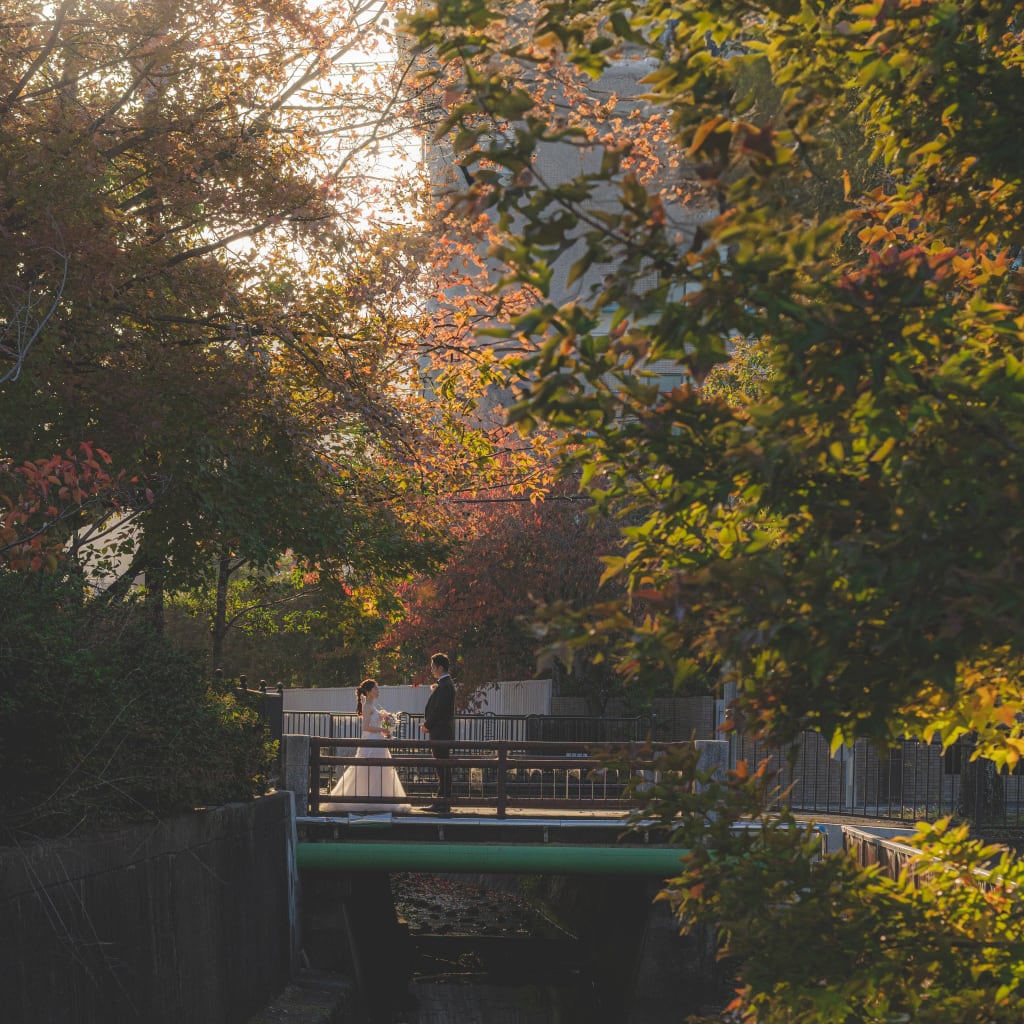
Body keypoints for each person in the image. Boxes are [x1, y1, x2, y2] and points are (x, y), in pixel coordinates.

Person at [323, 678, 410, 814]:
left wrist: (385, 721)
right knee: (367, 770)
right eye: (375, 688)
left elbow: (373, 724)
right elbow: (366, 727)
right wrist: (382, 729)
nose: (378, 690)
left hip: (378, 741)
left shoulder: (373, 706)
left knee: (380, 771)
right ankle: (367, 799)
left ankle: (377, 799)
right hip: (371, 741)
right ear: (369, 692)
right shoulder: (367, 706)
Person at [420, 652, 456, 813]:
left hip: (440, 731)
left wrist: (428, 724)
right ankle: (442, 800)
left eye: (433, 667)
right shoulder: (445, 684)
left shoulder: (445, 685)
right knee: (442, 766)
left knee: (442, 767)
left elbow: (439, 710)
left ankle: (443, 801)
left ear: (440, 668)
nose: (432, 670)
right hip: (441, 730)